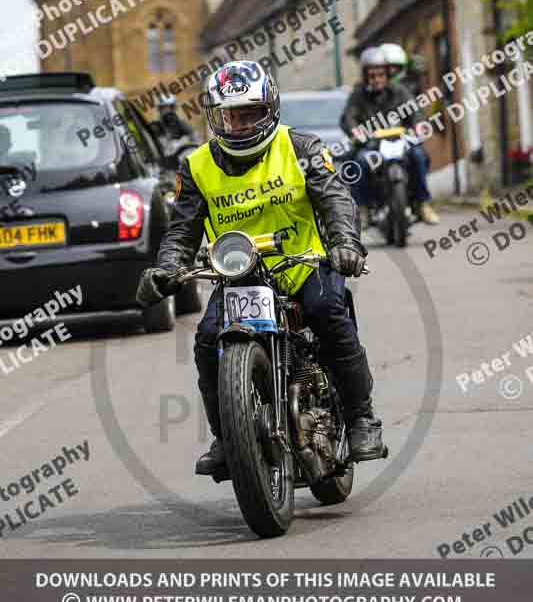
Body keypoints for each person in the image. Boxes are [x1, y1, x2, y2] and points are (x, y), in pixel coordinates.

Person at [137, 60, 385, 475]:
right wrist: (167, 268)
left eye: (249, 114)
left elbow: (336, 199)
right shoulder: (196, 166)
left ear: (270, 110)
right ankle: (227, 438)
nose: (239, 126)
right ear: (215, 118)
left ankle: (362, 419)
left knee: (326, 311)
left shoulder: (302, 148)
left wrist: (345, 243)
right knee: (206, 340)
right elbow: (182, 230)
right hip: (239, 276)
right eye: (229, 117)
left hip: (303, 265)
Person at [340, 46, 439, 227]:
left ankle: (423, 204)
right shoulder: (358, 95)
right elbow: (348, 117)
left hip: (400, 140)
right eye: (372, 76)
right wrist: (355, 131)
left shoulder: (400, 91)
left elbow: (415, 111)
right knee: (360, 161)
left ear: (387, 74)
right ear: (365, 76)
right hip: (371, 144)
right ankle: (363, 209)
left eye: (380, 75)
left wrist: (418, 125)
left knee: (419, 156)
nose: (377, 79)